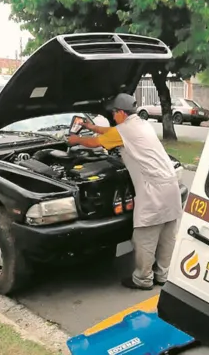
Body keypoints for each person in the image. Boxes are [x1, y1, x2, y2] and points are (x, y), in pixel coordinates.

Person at [68, 93, 183, 290]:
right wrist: (90, 127)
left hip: (153, 189)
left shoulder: (124, 130)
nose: (113, 116)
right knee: (167, 235)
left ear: (121, 112)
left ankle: (143, 280)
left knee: (144, 237)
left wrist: (76, 139)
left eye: (114, 113)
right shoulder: (140, 124)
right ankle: (162, 276)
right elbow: (112, 131)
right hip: (171, 185)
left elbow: (96, 143)